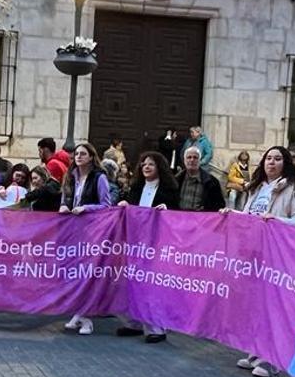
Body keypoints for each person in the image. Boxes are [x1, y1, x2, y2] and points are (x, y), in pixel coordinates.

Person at [223, 146, 295, 376]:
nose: (271, 163)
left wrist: (278, 221)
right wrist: (233, 216)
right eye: (268, 159)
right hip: (254, 253)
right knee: (257, 304)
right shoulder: (256, 189)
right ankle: (258, 347)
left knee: (275, 305)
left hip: (279, 256)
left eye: (277, 159)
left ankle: (274, 358)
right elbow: (250, 217)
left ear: (286, 164)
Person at [115, 151, 180, 344]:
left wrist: (166, 211)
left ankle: (157, 327)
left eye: (151, 164)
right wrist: (125, 204)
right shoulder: (136, 187)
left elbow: (177, 212)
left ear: (159, 167)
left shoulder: (169, 189)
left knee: (153, 285)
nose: (146, 167)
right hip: (136, 242)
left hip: (157, 242)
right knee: (133, 283)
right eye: (143, 164)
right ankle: (133, 322)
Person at [59, 142, 113, 336]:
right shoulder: (71, 176)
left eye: (83, 154)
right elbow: (66, 197)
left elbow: (107, 206)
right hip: (73, 230)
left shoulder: (99, 178)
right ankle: (78, 313)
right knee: (71, 273)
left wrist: (87, 208)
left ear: (91, 157)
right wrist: (64, 206)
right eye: (76, 154)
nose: (78, 157)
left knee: (85, 275)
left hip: (92, 232)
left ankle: (86, 319)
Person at [176, 145, 225, 211]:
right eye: (189, 157)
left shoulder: (212, 182)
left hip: (201, 220)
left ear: (200, 160)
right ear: (184, 161)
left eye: (195, 157)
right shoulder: (176, 180)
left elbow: (219, 205)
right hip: (179, 218)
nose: (192, 160)